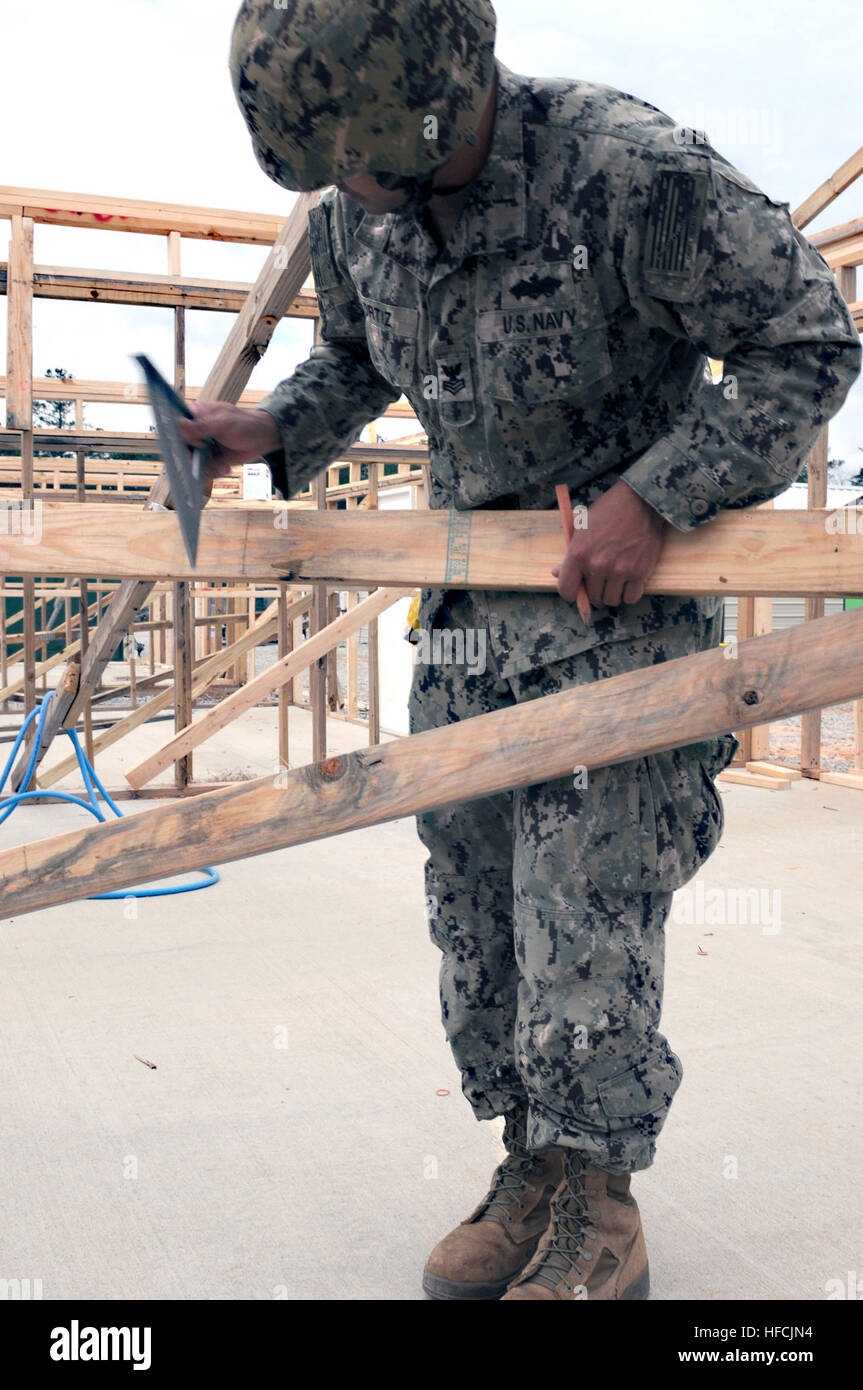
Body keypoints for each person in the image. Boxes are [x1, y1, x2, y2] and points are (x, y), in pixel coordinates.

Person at [180, 0, 861, 1300]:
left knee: (583, 921)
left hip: (617, 621)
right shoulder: (356, 198)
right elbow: (356, 355)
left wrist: (656, 495)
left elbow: (808, 340)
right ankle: (531, 1167)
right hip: (470, 622)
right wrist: (265, 430)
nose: (357, 196)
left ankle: (602, 1211)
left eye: (369, 167)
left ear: (438, 101)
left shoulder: (625, 170)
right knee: (480, 922)